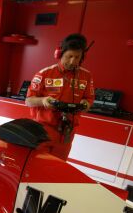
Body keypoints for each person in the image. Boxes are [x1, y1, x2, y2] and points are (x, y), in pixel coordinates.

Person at [25, 33, 95, 161]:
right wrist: (43, 100)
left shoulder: (86, 76)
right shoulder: (44, 73)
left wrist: (86, 103)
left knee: (58, 166)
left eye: (77, 57)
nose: (73, 61)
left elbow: (89, 98)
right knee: (37, 164)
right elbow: (28, 101)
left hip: (67, 132)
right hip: (43, 129)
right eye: (69, 56)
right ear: (59, 54)